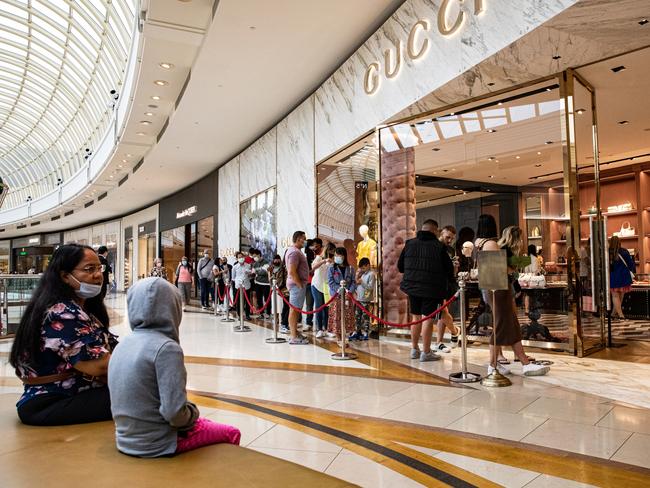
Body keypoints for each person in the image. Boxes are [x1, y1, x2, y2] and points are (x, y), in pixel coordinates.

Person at [108, 277, 240, 457]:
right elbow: (174, 413)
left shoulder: (123, 344)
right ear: (173, 308)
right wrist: (193, 413)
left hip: (125, 439)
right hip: (158, 443)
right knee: (231, 432)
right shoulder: (167, 349)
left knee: (204, 423)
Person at [10, 244, 117, 426]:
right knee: (145, 397)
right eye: (89, 269)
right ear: (65, 276)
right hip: (52, 402)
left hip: (70, 395)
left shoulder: (80, 309)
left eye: (100, 268)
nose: (98, 275)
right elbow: (99, 366)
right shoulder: (62, 313)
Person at [486, 226, 550, 376]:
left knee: (510, 325)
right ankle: (494, 364)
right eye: (520, 238)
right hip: (499, 289)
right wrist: (521, 262)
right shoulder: (501, 249)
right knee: (502, 325)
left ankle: (521, 362)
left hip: (501, 289)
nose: (522, 241)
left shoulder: (498, 247)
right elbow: (505, 269)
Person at [398, 220, 453, 362]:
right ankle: (426, 352)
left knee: (416, 318)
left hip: (412, 288)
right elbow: (449, 270)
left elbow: (400, 267)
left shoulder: (409, 243)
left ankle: (414, 349)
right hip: (432, 288)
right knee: (427, 318)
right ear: (435, 231)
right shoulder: (439, 247)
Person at [435, 225, 460, 353]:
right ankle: (455, 331)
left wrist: (455, 267)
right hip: (436, 283)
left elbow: (453, 273)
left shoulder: (451, 250)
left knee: (442, 312)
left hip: (447, 283)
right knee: (442, 311)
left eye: (452, 238)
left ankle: (439, 342)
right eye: (447, 237)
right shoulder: (435, 246)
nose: (449, 240)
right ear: (441, 233)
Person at [327, 247, 356, 342]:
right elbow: (331, 282)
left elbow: (353, 282)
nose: (337, 257)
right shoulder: (331, 268)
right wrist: (340, 290)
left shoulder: (350, 268)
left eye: (339, 255)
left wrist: (349, 291)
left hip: (348, 296)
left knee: (347, 316)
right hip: (336, 296)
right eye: (335, 255)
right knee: (337, 317)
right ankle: (339, 337)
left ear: (344, 256)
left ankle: (346, 335)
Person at [285, 231, 310, 344]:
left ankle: (294, 332)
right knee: (294, 310)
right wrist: (299, 284)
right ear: (299, 239)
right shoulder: (294, 252)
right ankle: (293, 336)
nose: (305, 241)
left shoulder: (297, 251)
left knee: (296, 309)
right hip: (296, 285)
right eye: (304, 239)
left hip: (298, 284)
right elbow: (292, 271)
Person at [311, 241, 334, 338]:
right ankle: (319, 329)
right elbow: (313, 267)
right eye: (331, 251)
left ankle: (326, 329)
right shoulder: (319, 257)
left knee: (326, 307)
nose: (332, 253)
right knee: (319, 307)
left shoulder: (333, 259)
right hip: (316, 285)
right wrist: (324, 261)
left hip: (326, 286)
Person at [609, 236, 635, 320]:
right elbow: (630, 264)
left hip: (614, 277)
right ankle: (617, 314)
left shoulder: (609, 252)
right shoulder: (624, 251)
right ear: (619, 242)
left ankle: (619, 315)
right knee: (621, 296)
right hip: (624, 276)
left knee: (615, 296)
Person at [352, 257, 376, 341]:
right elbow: (358, 284)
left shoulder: (371, 274)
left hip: (365, 299)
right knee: (357, 316)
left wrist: (362, 282)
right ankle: (357, 332)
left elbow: (370, 287)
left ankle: (366, 332)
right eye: (361, 268)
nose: (362, 269)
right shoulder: (363, 274)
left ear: (368, 265)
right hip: (359, 298)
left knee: (365, 317)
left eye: (363, 267)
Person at [268, 255, 289, 331]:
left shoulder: (283, 268)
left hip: (284, 290)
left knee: (285, 306)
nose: (276, 261)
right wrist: (273, 286)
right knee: (276, 306)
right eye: (275, 259)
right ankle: (281, 322)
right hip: (275, 289)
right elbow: (270, 279)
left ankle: (284, 322)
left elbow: (285, 278)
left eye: (278, 259)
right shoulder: (271, 268)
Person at [250, 248, 272, 320]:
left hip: (266, 284)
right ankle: (261, 313)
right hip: (257, 283)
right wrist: (256, 272)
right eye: (253, 256)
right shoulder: (255, 264)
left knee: (267, 298)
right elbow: (253, 272)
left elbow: (265, 272)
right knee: (259, 299)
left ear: (259, 255)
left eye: (255, 256)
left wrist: (256, 272)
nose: (254, 258)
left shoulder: (266, 262)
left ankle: (268, 313)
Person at [231, 251, 252, 320]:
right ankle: (239, 315)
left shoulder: (248, 265)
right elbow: (233, 278)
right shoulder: (234, 267)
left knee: (247, 301)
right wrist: (238, 282)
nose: (241, 258)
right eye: (239, 257)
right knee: (239, 302)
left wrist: (250, 274)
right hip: (238, 286)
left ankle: (247, 315)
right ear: (237, 259)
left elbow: (250, 276)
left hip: (246, 285)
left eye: (242, 257)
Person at [304, 239, 317, 331]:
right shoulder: (306, 257)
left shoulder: (316, 255)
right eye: (313, 245)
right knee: (309, 304)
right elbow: (308, 271)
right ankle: (309, 322)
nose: (314, 247)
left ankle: (314, 323)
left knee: (315, 304)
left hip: (315, 282)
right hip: (309, 282)